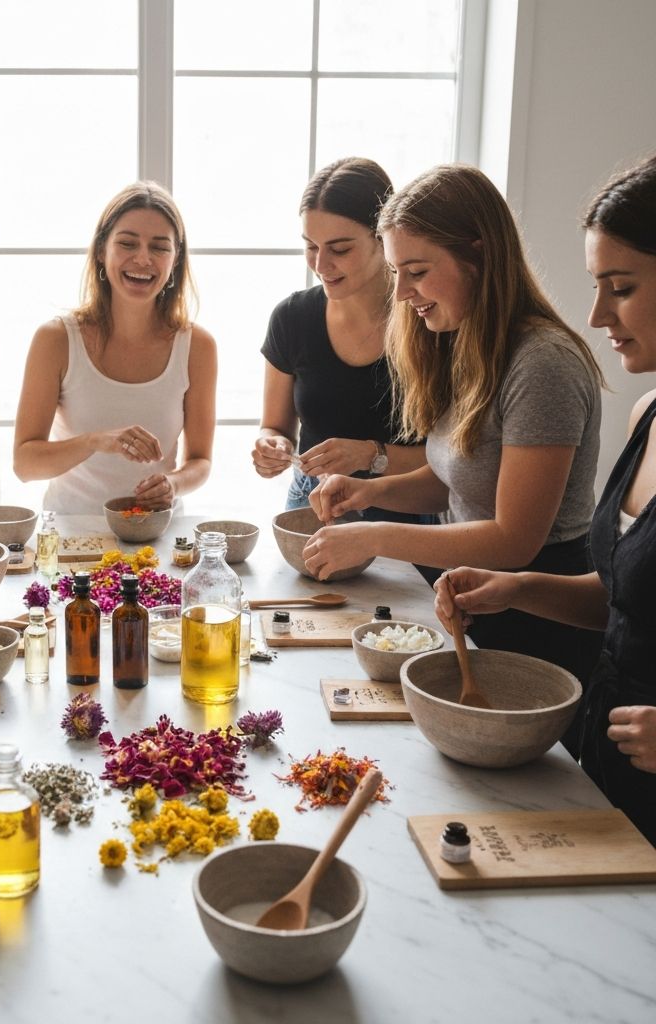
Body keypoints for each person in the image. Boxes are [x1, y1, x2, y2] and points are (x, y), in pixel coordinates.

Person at [304, 164, 604, 689]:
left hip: (537, 619)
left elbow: (514, 539)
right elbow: (457, 479)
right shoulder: (468, 343)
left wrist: (373, 535)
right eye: (396, 272)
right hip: (474, 602)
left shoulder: (543, 363)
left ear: (478, 255)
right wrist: (368, 492)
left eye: (416, 272)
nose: (401, 293)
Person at [435, 156, 656, 844]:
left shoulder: (546, 362)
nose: (596, 314)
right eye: (597, 286)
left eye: (621, 287)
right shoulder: (647, 415)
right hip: (605, 757)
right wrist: (516, 588)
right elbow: (626, 603)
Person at [13, 181, 216, 513]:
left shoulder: (198, 346)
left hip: (158, 532)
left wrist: (174, 484)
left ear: (175, 260)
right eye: (127, 243)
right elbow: (25, 464)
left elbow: (200, 461)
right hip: (71, 533)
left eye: (159, 247)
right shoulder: (56, 339)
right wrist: (94, 441)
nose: (143, 259)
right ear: (100, 250)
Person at [251, 158, 429, 517]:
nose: (320, 265)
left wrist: (370, 455)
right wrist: (272, 446)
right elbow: (274, 426)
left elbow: (456, 459)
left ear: (383, 238)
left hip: (409, 507)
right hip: (314, 504)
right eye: (310, 246)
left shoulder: (428, 317)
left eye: (340, 249)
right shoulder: (292, 318)